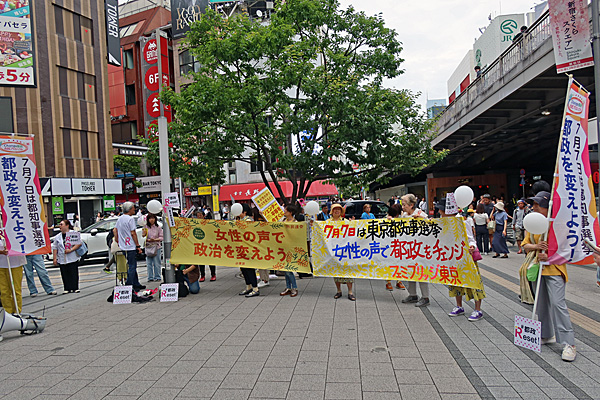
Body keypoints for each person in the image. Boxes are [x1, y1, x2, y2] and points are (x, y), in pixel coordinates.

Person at [522, 191, 576, 362]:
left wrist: (550, 256)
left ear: (548, 207)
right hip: (537, 269)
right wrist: (536, 246)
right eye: (533, 204)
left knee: (558, 304)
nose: (534, 207)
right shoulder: (533, 223)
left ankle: (569, 343)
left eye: (538, 205)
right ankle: (546, 334)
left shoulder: (559, 225)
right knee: (541, 304)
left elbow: (567, 249)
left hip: (554, 270)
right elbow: (525, 245)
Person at [437, 198, 486, 321]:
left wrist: (472, 247)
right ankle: (459, 306)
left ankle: (478, 309)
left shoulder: (462, 222)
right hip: (453, 256)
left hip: (466, 256)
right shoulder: (444, 222)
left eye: (441, 210)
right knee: (455, 281)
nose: (439, 212)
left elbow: (471, 239)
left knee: (474, 281)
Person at [399, 194, 429, 306]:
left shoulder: (420, 214)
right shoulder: (404, 216)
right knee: (410, 271)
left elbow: (430, 226)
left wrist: (422, 219)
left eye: (404, 205)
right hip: (408, 248)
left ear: (411, 205)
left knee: (421, 272)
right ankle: (413, 295)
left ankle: (425, 297)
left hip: (420, 249)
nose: (403, 207)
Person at [113, 202, 145, 291]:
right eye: (133, 208)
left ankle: (136, 283)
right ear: (130, 209)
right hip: (130, 245)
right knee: (132, 265)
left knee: (131, 264)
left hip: (123, 245)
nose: (134, 209)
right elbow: (133, 233)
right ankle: (129, 284)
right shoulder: (130, 219)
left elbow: (115, 230)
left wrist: (117, 240)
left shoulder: (120, 218)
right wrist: (137, 245)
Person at [330, 203, 355, 301]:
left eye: (339, 209)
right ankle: (339, 291)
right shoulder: (327, 223)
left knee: (348, 272)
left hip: (345, 251)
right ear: (332, 211)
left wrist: (353, 223)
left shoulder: (346, 221)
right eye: (335, 209)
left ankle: (350, 292)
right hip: (334, 251)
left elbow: (353, 230)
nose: (337, 211)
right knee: (336, 273)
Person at [52, 220, 82, 294]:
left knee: (73, 272)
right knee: (64, 273)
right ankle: (67, 288)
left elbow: (79, 243)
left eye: (61, 224)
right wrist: (54, 258)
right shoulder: (57, 237)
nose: (60, 226)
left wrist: (71, 250)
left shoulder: (73, 233)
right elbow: (55, 248)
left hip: (72, 257)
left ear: (67, 225)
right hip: (62, 258)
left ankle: (75, 287)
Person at [238, 203, 260, 297]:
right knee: (243, 269)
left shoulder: (248, 220)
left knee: (249, 269)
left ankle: (255, 288)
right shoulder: (240, 220)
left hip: (248, 249)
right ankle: (248, 287)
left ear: (244, 212)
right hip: (241, 248)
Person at [0, 244, 27, 314]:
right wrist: (2, 252)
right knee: (4, 291)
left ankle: (17, 311)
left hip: (16, 264)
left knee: (16, 290)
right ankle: (7, 312)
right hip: (1, 265)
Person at [280, 205, 299, 297]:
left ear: (290, 212)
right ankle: (288, 287)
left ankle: (294, 287)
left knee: (289, 269)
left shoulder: (296, 223)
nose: (284, 211)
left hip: (291, 248)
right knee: (285, 269)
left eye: (286, 210)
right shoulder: (283, 220)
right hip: (283, 248)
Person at [143, 213, 163, 282]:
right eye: (150, 218)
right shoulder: (145, 227)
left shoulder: (158, 227)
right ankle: (150, 277)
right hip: (148, 246)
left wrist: (155, 239)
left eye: (153, 218)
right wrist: (145, 237)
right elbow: (143, 237)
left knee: (157, 263)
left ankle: (157, 276)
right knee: (149, 263)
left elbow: (162, 237)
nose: (152, 220)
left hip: (156, 246)